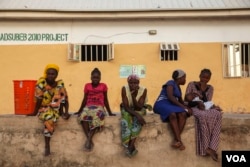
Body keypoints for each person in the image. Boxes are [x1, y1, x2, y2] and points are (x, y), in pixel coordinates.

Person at [28, 64, 70, 156]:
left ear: (56, 75)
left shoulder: (59, 84)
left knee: (61, 88)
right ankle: (47, 145)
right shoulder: (41, 83)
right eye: (49, 74)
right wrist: (35, 112)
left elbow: (65, 98)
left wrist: (66, 112)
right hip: (43, 108)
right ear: (46, 74)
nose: (51, 76)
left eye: (53, 74)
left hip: (56, 107)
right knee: (49, 118)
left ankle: (61, 112)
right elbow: (38, 99)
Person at [185, 68, 222, 162]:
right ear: (199, 76)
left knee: (218, 114)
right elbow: (186, 100)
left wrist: (202, 90)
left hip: (205, 107)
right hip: (193, 107)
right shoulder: (191, 84)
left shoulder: (210, 88)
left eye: (207, 78)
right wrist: (197, 103)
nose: (205, 80)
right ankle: (206, 147)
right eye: (203, 77)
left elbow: (207, 101)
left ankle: (212, 147)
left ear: (209, 78)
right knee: (202, 116)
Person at [75, 68, 116, 152]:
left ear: (100, 78)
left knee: (98, 116)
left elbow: (105, 100)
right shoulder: (87, 86)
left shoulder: (103, 86)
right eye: (94, 77)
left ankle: (88, 140)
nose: (95, 79)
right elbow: (84, 99)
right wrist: (79, 110)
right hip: (88, 106)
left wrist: (110, 112)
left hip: (99, 107)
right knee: (83, 116)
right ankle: (89, 139)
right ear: (91, 78)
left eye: (97, 78)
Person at [153, 69, 192, 151]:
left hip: (171, 105)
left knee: (183, 114)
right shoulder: (170, 83)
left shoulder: (179, 88)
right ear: (180, 78)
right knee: (172, 114)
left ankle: (176, 140)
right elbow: (170, 97)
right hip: (162, 103)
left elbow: (181, 102)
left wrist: (188, 107)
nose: (185, 80)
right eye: (184, 78)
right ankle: (179, 140)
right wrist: (183, 107)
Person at [120, 74, 151, 157]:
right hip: (128, 108)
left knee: (137, 120)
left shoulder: (143, 90)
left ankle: (130, 146)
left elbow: (139, 107)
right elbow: (126, 107)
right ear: (128, 82)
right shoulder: (124, 89)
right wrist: (137, 115)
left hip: (139, 109)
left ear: (139, 83)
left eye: (136, 83)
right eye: (131, 83)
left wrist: (133, 96)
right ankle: (131, 146)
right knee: (126, 117)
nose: (133, 85)